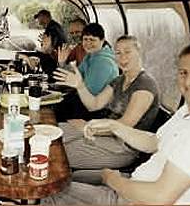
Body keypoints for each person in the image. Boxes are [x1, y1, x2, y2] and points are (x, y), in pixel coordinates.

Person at [41, 41, 190, 206]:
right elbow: (155, 142)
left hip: (135, 200)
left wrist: (113, 179)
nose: (188, 82)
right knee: (67, 168)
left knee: (50, 187)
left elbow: (159, 197)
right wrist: (112, 125)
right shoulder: (189, 111)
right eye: (183, 73)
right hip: (136, 179)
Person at [57, 35, 160, 171]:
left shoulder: (145, 85)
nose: (122, 57)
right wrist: (80, 86)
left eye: (127, 51)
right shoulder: (118, 81)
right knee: (53, 132)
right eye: (118, 52)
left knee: (58, 154)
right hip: (104, 133)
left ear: (139, 53)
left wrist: (89, 128)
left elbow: (125, 125)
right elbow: (93, 105)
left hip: (123, 148)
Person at [52, 22, 118, 121]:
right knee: (54, 105)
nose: (88, 43)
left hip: (97, 110)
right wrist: (62, 63)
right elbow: (77, 75)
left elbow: (90, 91)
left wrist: (71, 89)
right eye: (85, 39)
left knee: (56, 111)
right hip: (84, 100)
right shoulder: (90, 56)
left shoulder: (103, 62)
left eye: (92, 40)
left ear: (102, 40)